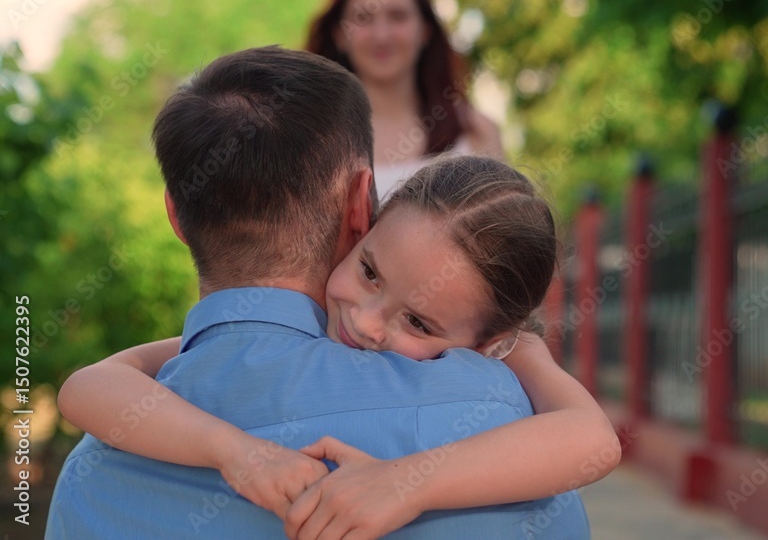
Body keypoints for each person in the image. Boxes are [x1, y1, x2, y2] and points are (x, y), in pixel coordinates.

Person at [46, 46, 617, 539]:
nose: (368, 323)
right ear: (362, 211)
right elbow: (86, 387)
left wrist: (406, 485)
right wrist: (236, 453)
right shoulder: (498, 414)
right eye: (369, 272)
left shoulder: (94, 470)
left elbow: (594, 440)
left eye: (418, 323)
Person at [305, 0, 503, 199]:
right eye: (363, 18)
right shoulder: (309, 139)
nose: (381, 36)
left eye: (398, 16)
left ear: (425, 30)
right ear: (339, 34)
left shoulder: (475, 132)